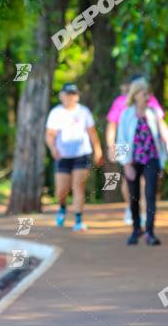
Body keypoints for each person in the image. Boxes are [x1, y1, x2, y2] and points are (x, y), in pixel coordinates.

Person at [115, 78, 168, 246]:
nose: (147, 96)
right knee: (134, 196)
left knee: (150, 195)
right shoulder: (126, 114)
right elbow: (120, 139)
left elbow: (163, 135)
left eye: (148, 93)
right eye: (143, 93)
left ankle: (150, 232)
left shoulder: (154, 113)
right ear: (135, 94)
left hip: (152, 158)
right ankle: (136, 229)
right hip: (132, 160)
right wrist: (126, 164)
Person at [45, 83, 104, 231]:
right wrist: (53, 148)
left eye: (73, 94)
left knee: (78, 186)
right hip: (62, 155)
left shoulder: (84, 112)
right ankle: (62, 208)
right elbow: (49, 135)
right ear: (61, 96)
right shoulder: (56, 113)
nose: (70, 97)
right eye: (67, 94)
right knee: (61, 190)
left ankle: (78, 220)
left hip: (81, 154)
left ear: (77, 96)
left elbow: (92, 132)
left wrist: (98, 151)